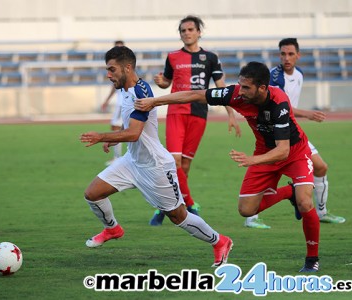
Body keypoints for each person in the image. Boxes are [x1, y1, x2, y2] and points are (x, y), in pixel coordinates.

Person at [134, 61, 320, 272]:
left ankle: (311, 259)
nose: (240, 91)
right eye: (240, 85)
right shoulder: (235, 95)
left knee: (305, 203)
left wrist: (252, 160)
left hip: (294, 153)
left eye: (246, 87)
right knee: (246, 210)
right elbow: (195, 95)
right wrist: (155, 101)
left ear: (262, 88)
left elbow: (283, 151)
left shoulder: (279, 103)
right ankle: (290, 192)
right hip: (263, 152)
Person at [80, 45, 233, 267]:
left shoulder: (141, 92)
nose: (108, 74)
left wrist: (102, 136)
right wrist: (115, 138)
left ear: (127, 67)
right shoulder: (124, 89)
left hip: (156, 166)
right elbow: (133, 128)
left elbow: (134, 133)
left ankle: (220, 241)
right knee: (92, 193)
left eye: (112, 69)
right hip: (132, 161)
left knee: (178, 217)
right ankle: (113, 229)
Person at [150, 15, 241, 226]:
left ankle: (167, 206)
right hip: (175, 113)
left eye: (190, 29)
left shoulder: (210, 58)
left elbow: (221, 87)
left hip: (199, 114)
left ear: (199, 32)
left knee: (186, 167)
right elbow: (167, 82)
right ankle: (190, 205)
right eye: (183, 30)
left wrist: (230, 113)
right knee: (174, 162)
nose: (187, 33)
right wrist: (161, 82)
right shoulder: (172, 57)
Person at [246, 38, 345, 228]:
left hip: (291, 133)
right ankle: (252, 217)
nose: (286, 58)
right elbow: (282, 106)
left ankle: (321, 211)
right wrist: (308, 113)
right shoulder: (275, 78)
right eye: (283, 54)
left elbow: (288, 109)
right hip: (274, 134)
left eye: (291, 54)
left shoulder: (298, 74)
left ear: (298, 56)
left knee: (321, 167)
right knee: (267, 172)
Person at [101, 40, 125, 166]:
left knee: (119, 129)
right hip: (120, 102)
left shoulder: (124, 66)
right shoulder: (117, 65)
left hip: (123, 103)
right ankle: (118, 157)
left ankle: (118, 158)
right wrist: (107, 100)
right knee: (119, 128)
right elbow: (115, 86)